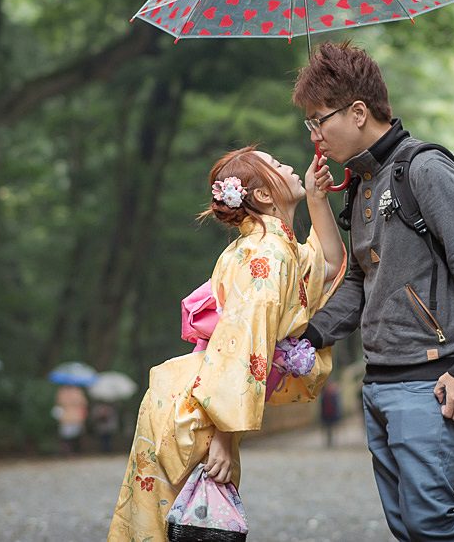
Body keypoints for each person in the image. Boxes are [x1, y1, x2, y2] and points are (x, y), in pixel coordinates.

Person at [293, 41, 454, 542]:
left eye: (320, 120)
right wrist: (309, 335)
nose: (316, 136)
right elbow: (363, 281)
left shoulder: (424, 170)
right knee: (407, 527)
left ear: (359, 111)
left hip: (432, 382)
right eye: (311, 124)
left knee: (432, 521)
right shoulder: (365, 185)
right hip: (380, 384)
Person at [108, 145, 346, 541]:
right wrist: (224, 435)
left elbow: (330, 265)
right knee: (189, 524)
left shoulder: (272, 247)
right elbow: (240, 346)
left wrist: (317, 197)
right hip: (202, 411)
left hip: (195, 398)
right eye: (276, 165)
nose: (287, 166)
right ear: (264, 196)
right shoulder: (265, 255)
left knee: (173, 522)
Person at [54, 385, 88, 455]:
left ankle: (69, 451)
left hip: (67, 417)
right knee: (74, 436)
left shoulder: (61, 392)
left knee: (67, 436)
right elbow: (84, 403)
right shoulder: (78, 392)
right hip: (75, 417)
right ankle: (74, 451)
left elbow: (58, 403)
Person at [319, 380, 342, 448]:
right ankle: (329, 441)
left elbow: (338, 405)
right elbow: (321, 406)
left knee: (334, 428)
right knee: (328, 428)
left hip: (333, 414)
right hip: (326, 414)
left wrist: (338, 414)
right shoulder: (324, 395)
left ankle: (334, 441)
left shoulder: (334, 395)